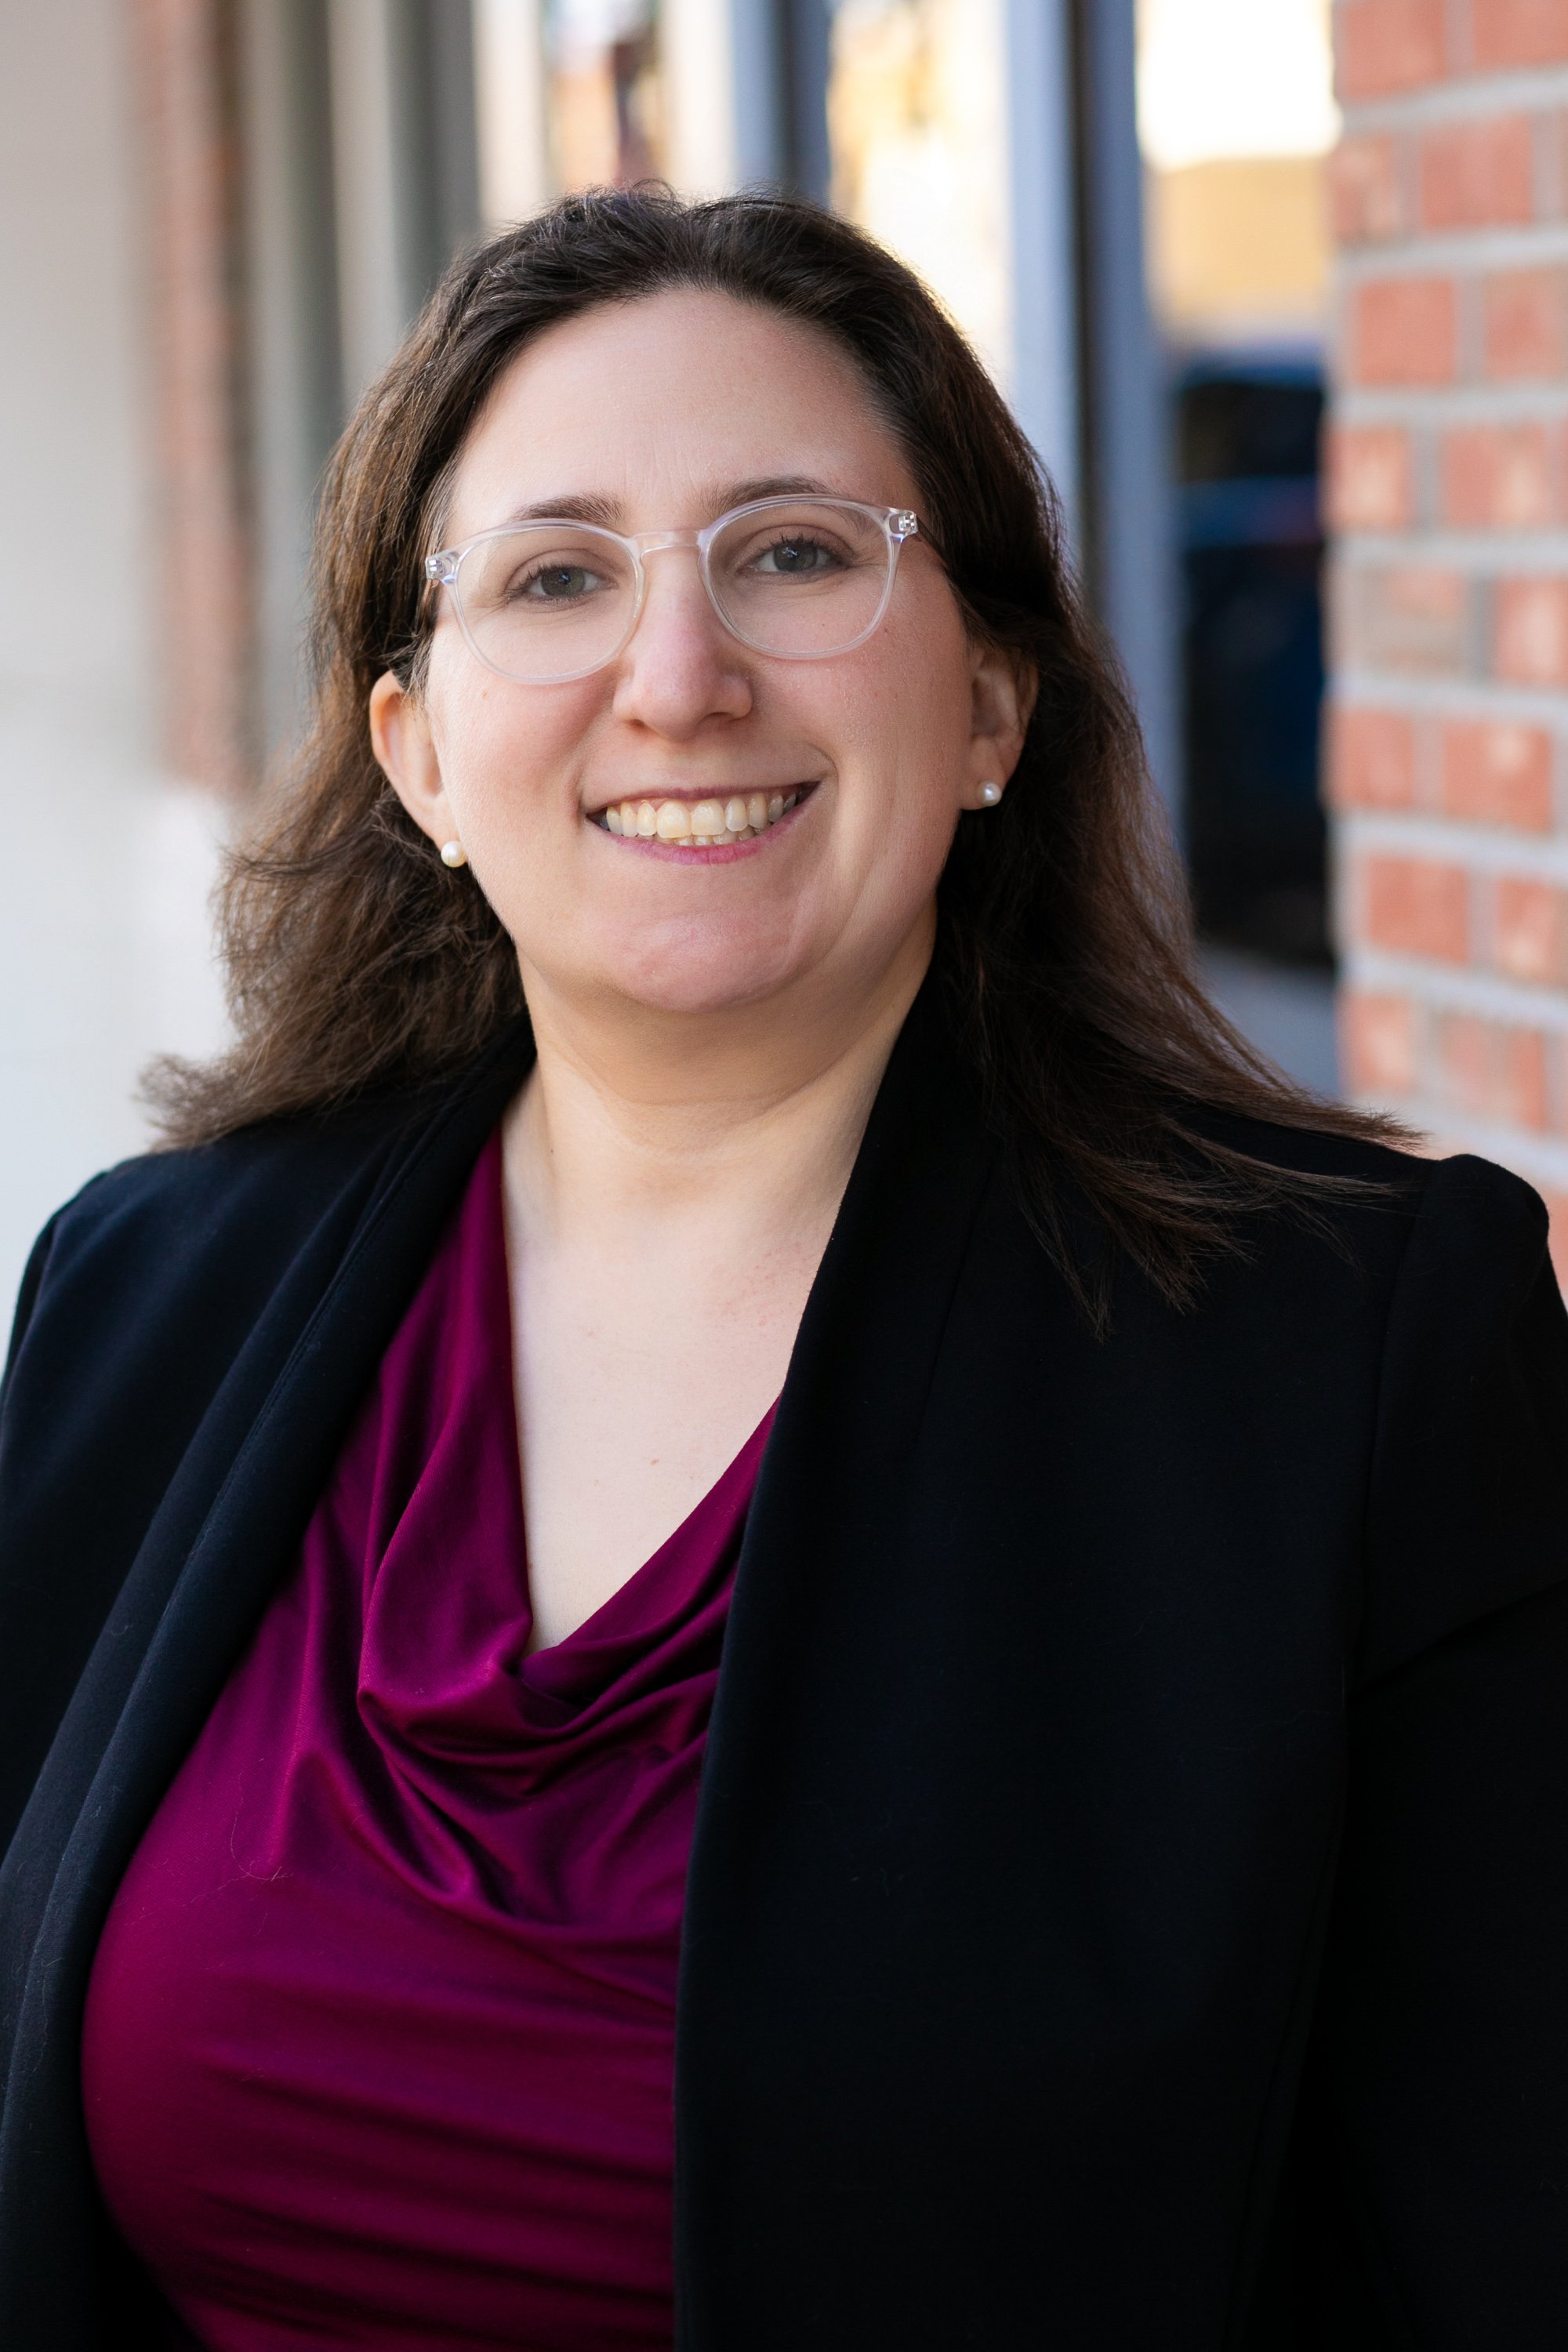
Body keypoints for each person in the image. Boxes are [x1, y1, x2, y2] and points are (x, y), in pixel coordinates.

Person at [2, 187, 1566, 2352]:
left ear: (999, 698)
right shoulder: (137, 1299)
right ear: (420, 754)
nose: (679, 677)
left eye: (800, 554)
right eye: (557, 576)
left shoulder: (1357, 1355)